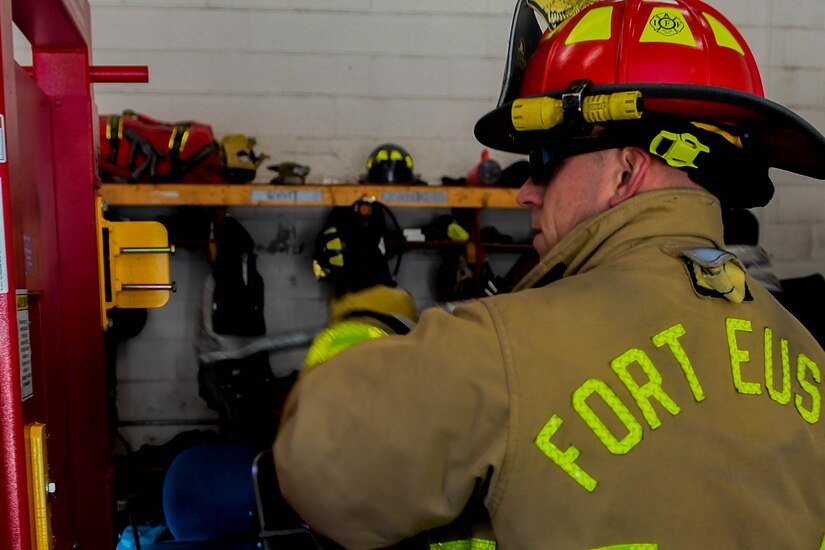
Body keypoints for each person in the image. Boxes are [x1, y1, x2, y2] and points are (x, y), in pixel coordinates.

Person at [274, 0, 825, 548]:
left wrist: (368, 309)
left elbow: (317, 462)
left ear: (625, 171)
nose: (525, 191)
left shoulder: (503, 350)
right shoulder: (810, 358)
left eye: (543, 159)